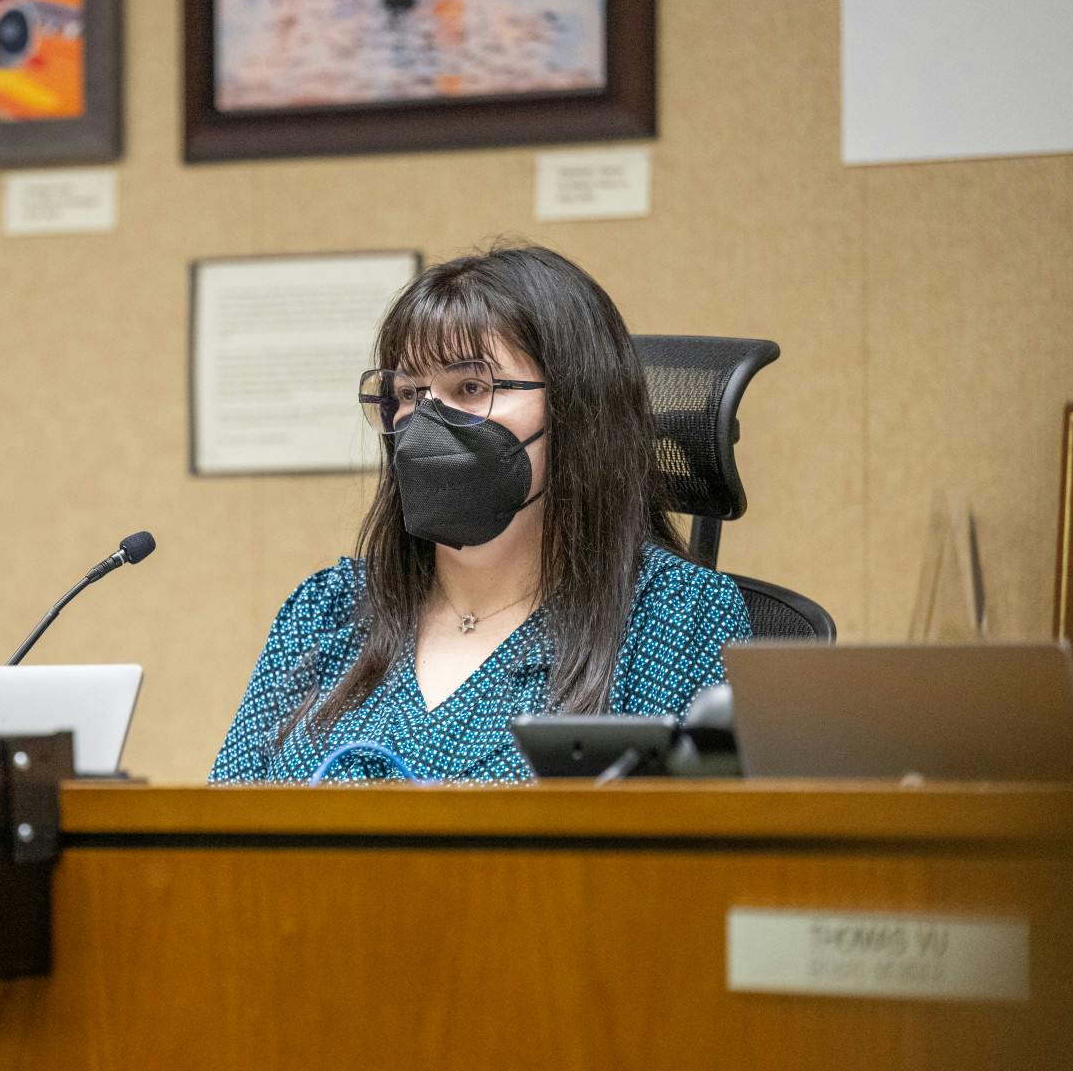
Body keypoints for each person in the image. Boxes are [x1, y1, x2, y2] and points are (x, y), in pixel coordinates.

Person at [210, 245, 751, 785]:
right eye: (406, 393)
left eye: (471, 387)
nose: (425, 422)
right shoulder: (327, 609)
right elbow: (215, 830)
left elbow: (679, 857)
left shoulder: (673, 613)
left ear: (578, 409)